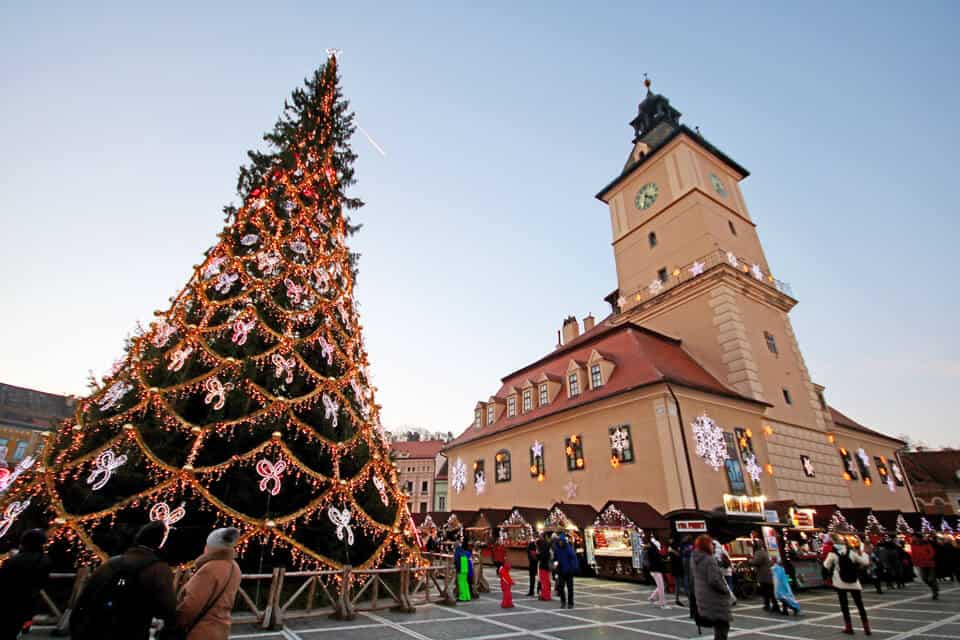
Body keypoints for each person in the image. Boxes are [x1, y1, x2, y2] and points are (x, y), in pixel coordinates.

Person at [70, 521, 177, 640]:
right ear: (161, 542)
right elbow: (167, 609)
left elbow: (84, 599)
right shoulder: (157, 569)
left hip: (94, 630)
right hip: (130, 632)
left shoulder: (110, 563)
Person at [172, 527, 242, 640]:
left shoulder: (209, 569)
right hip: (221, 630)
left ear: (211, 547)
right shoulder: (235, 568)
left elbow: (192, 604)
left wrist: (176, 623)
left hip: (200, 631)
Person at [0, 528, 51, 640]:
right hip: (28, 602)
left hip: (9, 601)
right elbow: (42, 582)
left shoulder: (14, 560)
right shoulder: (44, 560)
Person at [823, 535, 871, 636]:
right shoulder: (851, 553)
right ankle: (867, 628)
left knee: (844, 606)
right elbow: (865, 562)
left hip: (840, 583)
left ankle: (849, 627)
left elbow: (826, 565)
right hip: (854, 582)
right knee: (860, 605)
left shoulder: (832, 554)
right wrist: (865, 553)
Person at [691, 534, 733, 640]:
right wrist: (725, 590)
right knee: (722, 628)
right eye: (711, 544)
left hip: (704, 597)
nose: (713, 546)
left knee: (718, 627)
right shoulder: (709, 560)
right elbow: (714, 580)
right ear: (707, 545)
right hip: (715, 599)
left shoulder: (695, 559)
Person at [748, 536, 779, 613]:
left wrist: (749, 560)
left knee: (766, 591)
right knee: (769, 591)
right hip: (768, 575)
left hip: (764, 575)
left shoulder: (759, 552)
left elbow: (756, 562)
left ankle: (770, 605)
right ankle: (772, 605)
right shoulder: (764, 552)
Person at [553, 533, 578, 609]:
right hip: (560, 571)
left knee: (570, 588)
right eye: (559, 541)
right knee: (561, 587)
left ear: (564, 541)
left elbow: (574, 559)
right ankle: (563, 602)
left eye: (561, 541)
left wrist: (573, 568)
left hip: (569, 571)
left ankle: (570, 603)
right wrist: (555, 565)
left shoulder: (568, 549)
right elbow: (555, 559)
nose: (560, 542)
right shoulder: (557, 549)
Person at [910, 534, 938, 600]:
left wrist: (927, 558)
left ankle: (935, 592)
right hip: (921, 564)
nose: (913, 539)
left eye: (914, 537)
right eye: (913, 537)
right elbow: (913, 554)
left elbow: (932, 552)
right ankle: (934, 587)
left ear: (919, 538)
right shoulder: (913, 545)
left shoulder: (926, 544)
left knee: (931, 579)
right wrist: (914, 561)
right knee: (924, 579)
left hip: (930, 564)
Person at [646, 535, 668, 608]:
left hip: (654, 570)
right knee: (661, 586)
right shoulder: (654, 551)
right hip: (656, 570)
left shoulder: (651, 550)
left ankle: (653, 597)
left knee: (661, 585)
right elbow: (658, 560)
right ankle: (662, 602)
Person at [668, 539, 686, 606]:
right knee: (678, 584)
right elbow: (675, 556)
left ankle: (677, 599)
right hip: (676, 568)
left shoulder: (675, 547)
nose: (670, 541)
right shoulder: (672, 548)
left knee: (679, 584)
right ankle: (677, 599)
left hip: (678, 568)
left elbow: (679, 555)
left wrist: (672, 551)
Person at [536, 533, 552, 601]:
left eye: (540, 536)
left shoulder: (543, 545)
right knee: (546, 581)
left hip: (543, 565)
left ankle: (545, 596)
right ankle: (546, 595)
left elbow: (542, 555)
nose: (539, 538)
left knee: (544, 581)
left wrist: (537, 555)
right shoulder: (546, 544)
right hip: (546, 565)